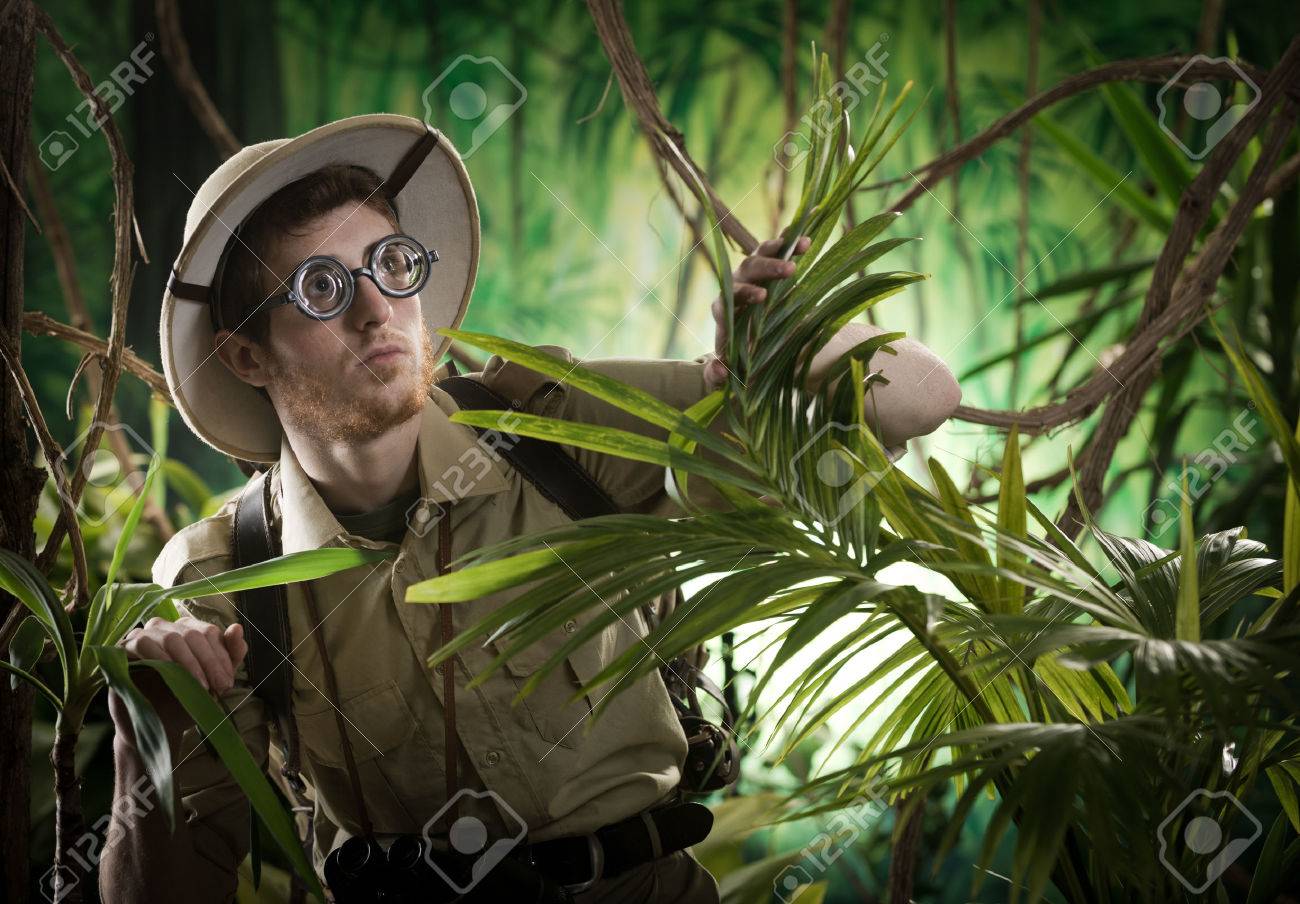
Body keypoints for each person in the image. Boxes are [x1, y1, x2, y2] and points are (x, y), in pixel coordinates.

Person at [99, 113, 961, 903]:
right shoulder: (228, 576)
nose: (377, 311)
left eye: (390, 265)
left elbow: (921, 397)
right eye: (320, 288)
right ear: (247, 355)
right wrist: (150, 734)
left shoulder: (553, 431)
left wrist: (787, 344)